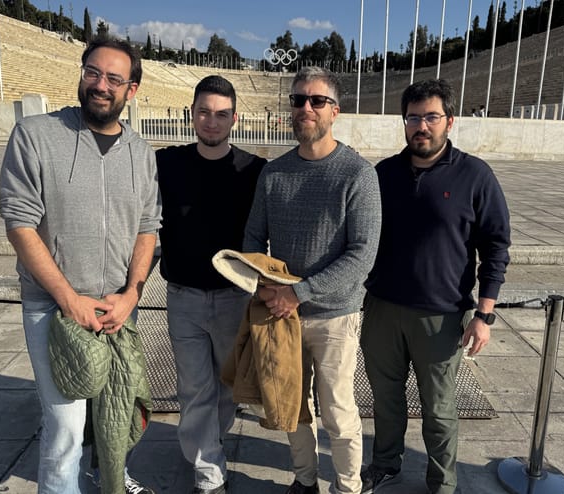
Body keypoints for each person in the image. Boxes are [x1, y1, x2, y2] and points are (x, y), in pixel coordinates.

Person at [0, 36, 159, 494]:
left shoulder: (141, 153)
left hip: (115, 309)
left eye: (114, 78)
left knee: (118, 414)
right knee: (66, 428)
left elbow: (148, 228)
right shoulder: (35, 135)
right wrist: (69, 300)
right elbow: (20, 225)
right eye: (92, 72)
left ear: (131, 89)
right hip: (54, 308)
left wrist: (130, 296)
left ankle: (110, 480)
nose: (100, 85)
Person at [360, 79, 511, 494]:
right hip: (383, 309)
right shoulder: (383, 174)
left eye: (431, 117)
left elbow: (496, 247)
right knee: (385, 399)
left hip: (441, 316)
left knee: (439, 409)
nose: (421, 126)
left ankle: (443, 482)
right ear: (404, 122)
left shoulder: (475, 175)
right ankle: (386, 463)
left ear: (450, 121)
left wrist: (484, 315)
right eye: (413, 118)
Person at [243, 66, 382, 494]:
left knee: (338, 410)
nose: (306, 107)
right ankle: (304, 481)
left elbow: (362, 255)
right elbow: (253, 236)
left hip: (334, 315)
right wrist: (262, 285)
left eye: (317, 100)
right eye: (299, 99)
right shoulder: (275, 173)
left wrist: (298, 293)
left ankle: (347, 486)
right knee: (292, 406)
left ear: (335, 111)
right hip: (282, 313)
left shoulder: (358, 174)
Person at [154, 75, 267, 494]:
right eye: (204, 112)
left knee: (226, 388)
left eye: (221, 114)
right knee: (194, 387)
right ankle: (209, 473)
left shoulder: (254, 170)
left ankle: (209, 444)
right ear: (192, 114)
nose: (212, 121)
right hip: (183, 297)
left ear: (234, 119)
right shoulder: (166, 164)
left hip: (234, 298)